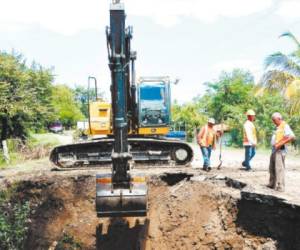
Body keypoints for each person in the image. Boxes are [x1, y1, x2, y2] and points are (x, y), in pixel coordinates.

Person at [268, 112, 295, 192]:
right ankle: (272, 183)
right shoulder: (277, 127)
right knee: (272, 167)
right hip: (274, 150)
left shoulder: (285, 126)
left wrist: (280, 144)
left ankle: (280, 187)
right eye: (273, 120)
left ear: (279, 119)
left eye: (274, 120)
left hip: (280, 150)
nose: (273, 121)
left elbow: (292, 136)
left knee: (279, 169)